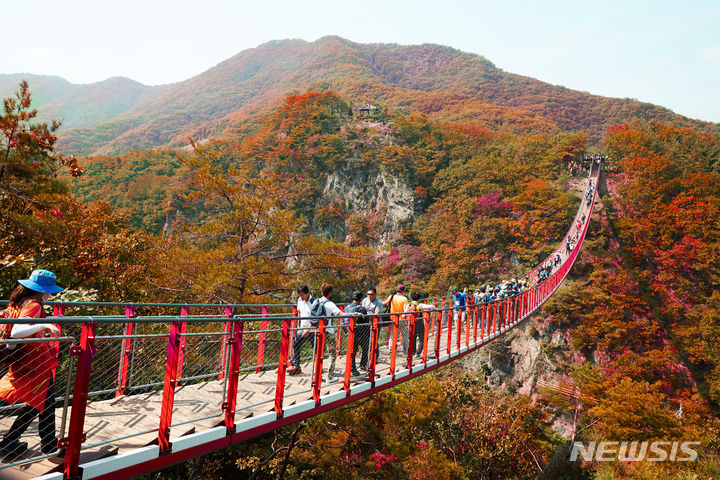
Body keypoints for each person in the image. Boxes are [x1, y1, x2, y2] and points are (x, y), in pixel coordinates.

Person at [0, 270, 63, 459]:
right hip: (35, 361)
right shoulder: (34, 305)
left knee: (41, 401)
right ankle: (47, 445)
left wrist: (48, 321)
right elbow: (18, 331)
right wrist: (45, 326)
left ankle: (14, 441)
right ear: (42, 290)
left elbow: (26, 325)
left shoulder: (22, 302)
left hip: (28, 360)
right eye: (50, 291)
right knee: (43, 401)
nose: (51, 295)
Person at [287, 285, 315, 376]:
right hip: (302, 328)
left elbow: (315, 317)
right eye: (299, 295)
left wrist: (309, 328)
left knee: (316, 349)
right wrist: (299, 326)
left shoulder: (314, 302)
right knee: (295, 345)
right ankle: (296, 366)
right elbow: (299, 312)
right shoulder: (300, 300)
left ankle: (318, 368)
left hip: (312, 330)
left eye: (302, 295)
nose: (301, 297)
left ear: (307, 293)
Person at [344, 291, 369, 376]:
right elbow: (366, 322)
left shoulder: (346, 308)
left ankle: (353, 369)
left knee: (352, 352)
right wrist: (367, 333)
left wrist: (346, 331)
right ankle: (362, 365)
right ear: (361, 298)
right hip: (361, 333)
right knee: (365, 349)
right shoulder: (361, 308)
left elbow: (344, 321)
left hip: (350, 332)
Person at [382, 285, 408, 352]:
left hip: (393, 318)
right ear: (403, 291)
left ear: (397, 290)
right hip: (401, 318)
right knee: (404, 334)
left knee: (392, 334)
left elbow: (384, 303)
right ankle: (405, 349)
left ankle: (391, 348)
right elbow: (405, 310)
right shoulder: (404, 299)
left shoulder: (392, 297)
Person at [362, 288, 384, 362]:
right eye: (368, 294)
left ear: (375, 294)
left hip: (376, 323)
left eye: (371, 294)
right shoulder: (365, 300)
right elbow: (362, 309)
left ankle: (375, 357)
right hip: (366, 323)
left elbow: (377, 314)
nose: (369, 296)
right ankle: (367, 356)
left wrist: (365, 315)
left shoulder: (378, 302)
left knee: (374, 340)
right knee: (366, 340)